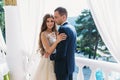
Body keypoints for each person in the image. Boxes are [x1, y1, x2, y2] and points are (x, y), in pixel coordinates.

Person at [33, 14, 67, 80]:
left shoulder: (56, 32)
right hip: (48, 61)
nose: (50, 23)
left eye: (52, 21)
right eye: (47, 21)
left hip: (56, 59)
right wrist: (57, 41)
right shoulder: (43, 34)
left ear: (54, 22)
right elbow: (48, 51)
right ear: (45, 23)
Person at [50, 7, 77, 80]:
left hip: (62, 68)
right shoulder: (72, 28)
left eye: (56, 17)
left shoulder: (63, 29)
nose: (54, 20)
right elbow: (74, 48)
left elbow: (61, 53)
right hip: (70, 67)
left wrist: (51, 56)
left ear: (64, 17)